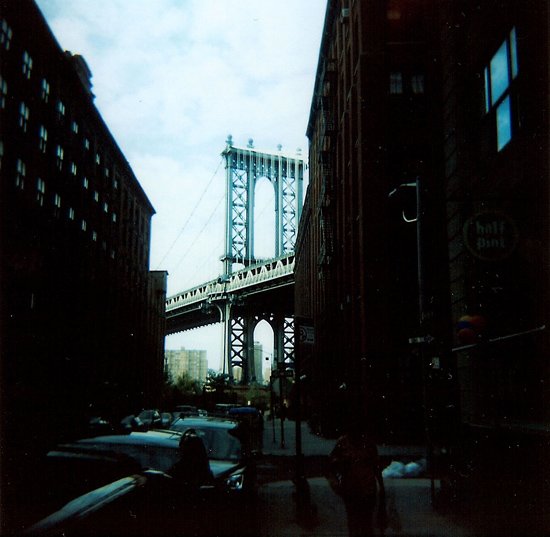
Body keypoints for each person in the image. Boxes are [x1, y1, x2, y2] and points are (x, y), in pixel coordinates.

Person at [329, 418, 386, 536]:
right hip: (350, 489)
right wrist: (336, 483)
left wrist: (381, 487)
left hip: (367, 489)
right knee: (354, 522)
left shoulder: (368, 444)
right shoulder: (343, 443)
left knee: (366, 522)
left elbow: (376, 466)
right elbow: (331, 464)